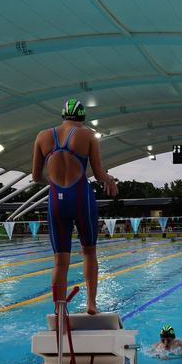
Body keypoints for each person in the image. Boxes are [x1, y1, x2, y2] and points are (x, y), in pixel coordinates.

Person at [32, 98, 118, 314]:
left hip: (55, 199)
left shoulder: (42, 136)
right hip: (80, 197)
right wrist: (109, 179)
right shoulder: (87, 135)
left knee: (60, 261)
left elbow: (35, 177)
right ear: (82, 118)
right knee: (89, 253)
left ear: (63, 116)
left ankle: (60, 309)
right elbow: (98, 174)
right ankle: (91, 303)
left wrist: (55, 181)